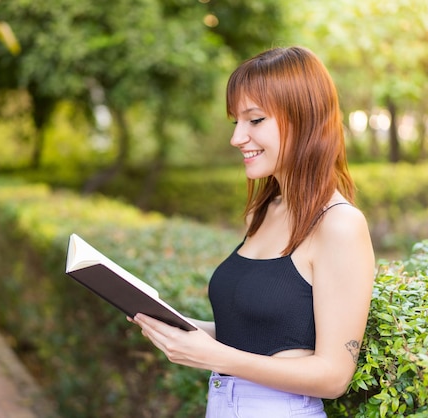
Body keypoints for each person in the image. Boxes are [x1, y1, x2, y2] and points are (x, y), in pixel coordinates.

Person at [131, 46, 375, 417]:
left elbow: (333, 376)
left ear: (304, 119)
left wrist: (216, 356)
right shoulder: (264, 211)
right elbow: (258, 335)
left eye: (255, 120)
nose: (237, 138)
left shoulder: (340, 225)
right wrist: (181, 330)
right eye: (236, 122)